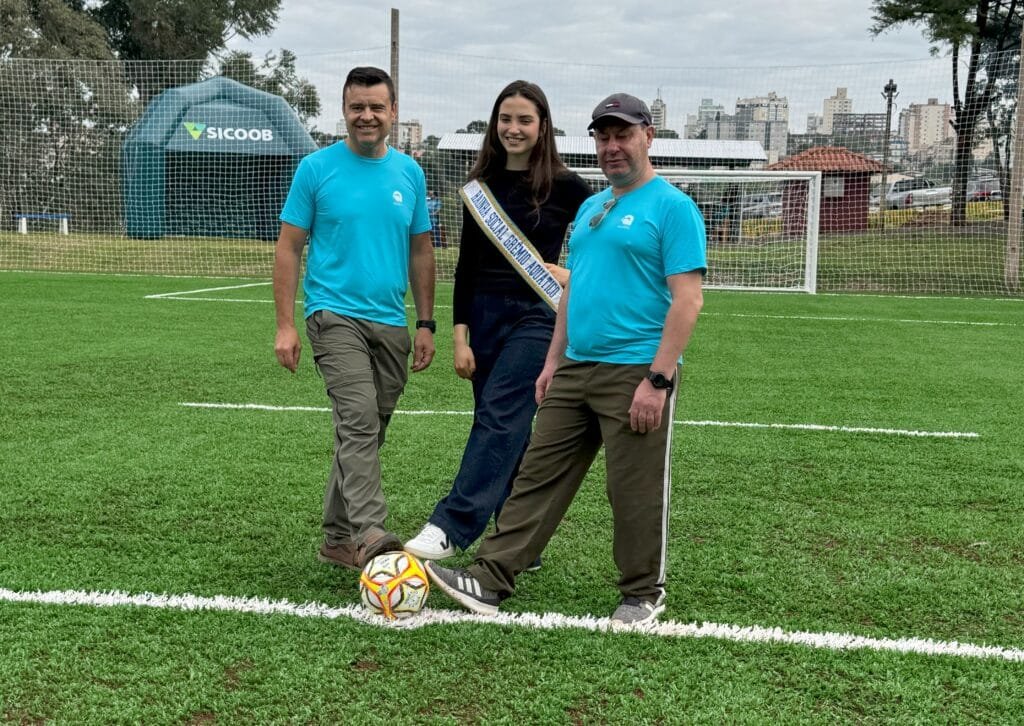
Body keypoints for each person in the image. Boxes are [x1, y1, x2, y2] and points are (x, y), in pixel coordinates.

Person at [425, 92, 707, 626]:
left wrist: (658, 379)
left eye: (623, 135)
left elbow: (687, 301)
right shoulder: (592, 208)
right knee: (537, 475)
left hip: (635, 369)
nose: (613, 146)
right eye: (604, 137)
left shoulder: (673, 207)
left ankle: (642, 593)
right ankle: (490, 577)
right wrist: (553, 362)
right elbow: (572, 290)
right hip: (575, 366)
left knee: (632, 489)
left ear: (647, 137)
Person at [404, 80, 592, 565]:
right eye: (505, 119)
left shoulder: (568, 186)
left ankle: (452, 524)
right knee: (509, 427)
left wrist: (574, 275)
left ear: (543, 126)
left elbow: (605, 241)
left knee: (501, 414)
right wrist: (459, 337)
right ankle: (517, 538)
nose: (513, 128)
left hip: (537, 315)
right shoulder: (478, 188)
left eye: (525, 120)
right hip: (484, 318)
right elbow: (466, 267)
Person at [272, 66, 436, 572]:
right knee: (359, 418)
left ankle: (336, 539)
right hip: (333, 315)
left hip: (391, 322)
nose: (367, 116)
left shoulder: (410, 173)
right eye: (357, 107)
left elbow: (422, 251)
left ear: (393, 112)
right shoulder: (316, 169)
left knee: (366, 430)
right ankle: (370, 533)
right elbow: (289, 247)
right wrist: (285, 324)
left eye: (376, 107)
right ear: (344, 110)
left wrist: (425, 323)